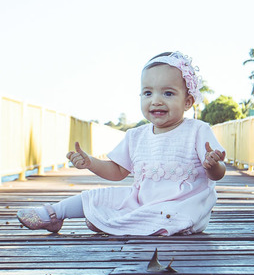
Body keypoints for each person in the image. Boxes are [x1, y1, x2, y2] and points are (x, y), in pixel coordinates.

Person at [17, 51, 227, 235]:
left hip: (181, 206)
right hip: (141, 201)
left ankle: (112, 222)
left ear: (188, 101)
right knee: (99, 196)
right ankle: (53, 214)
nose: (156, 100)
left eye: (168, 93)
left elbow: (217, 174)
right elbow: (117, 171)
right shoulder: (136, 136)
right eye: (147, 93)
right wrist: (90, 162)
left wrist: (213, 165)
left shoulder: (198, 130)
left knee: (168, 216)